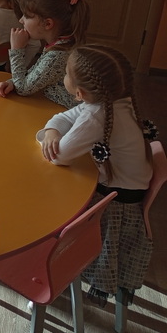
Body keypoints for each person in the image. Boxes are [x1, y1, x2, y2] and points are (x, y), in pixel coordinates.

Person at [37, 45, 153, 308]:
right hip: (123, 193)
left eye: (65, 73)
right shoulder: (114, 102)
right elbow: (65, 117)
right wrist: (53, 131)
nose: (63, 76)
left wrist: (48, 137)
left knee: (46, 202)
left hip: (113, 207)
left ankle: (50, 266)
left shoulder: (97, 115)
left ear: (79, 93)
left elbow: (59, 156)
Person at [0, 0, 90, 108]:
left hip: (63, 112)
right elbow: (35, 75)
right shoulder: (61, 44)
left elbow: (23, 89)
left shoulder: (58, 54)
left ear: (47, 24)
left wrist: (17, 49)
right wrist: (11, 82)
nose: (21, 20)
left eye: (27, 16)